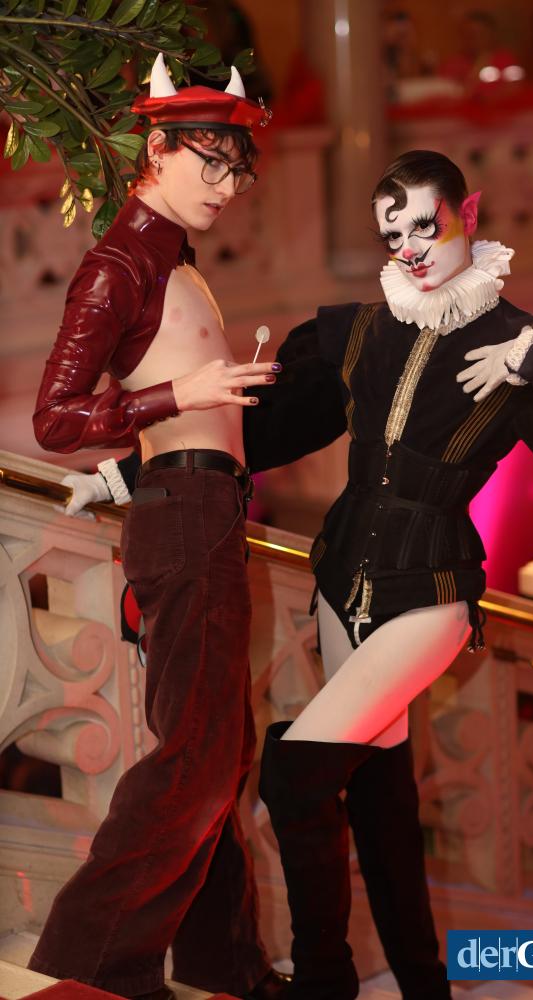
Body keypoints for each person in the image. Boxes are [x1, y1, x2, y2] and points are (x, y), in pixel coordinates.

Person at [255, 150, 533, 1000]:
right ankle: (422, 986)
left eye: (423, 224)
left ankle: (324, 981)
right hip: (339, 580)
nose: (408, 246)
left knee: (294, 776)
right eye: (391, 233)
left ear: (465, 213)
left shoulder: (522, 343)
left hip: (428, 595)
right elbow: (267, 434)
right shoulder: (358, 333)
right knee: (380, 798)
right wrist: (147, 463)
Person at [28, 54, 346, 1000]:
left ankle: (224, 966)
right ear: (155, 151)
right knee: (196, 764)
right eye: (208, 162)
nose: (225, 186)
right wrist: (181, 392)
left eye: (236, 170)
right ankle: (83, 972)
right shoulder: (120, 265)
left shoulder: (170, 262)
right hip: (181, 511)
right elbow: (54, 420)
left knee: (217, 755)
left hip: (204, 511)